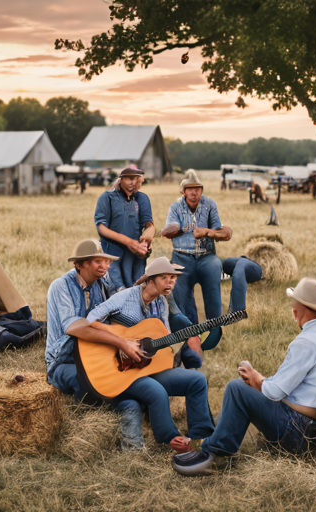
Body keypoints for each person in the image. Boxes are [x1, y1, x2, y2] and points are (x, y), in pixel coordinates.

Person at [172, 277, 316, 475]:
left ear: (302, 309)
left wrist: (256, 379)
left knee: (237, 388)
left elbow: (275, 392)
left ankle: (214, 455)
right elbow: (301, 385)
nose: (293, 307)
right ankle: (210, 439)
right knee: (246, 390)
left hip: (300, 433)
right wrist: (260, 380)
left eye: (294, 302)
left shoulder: (306, 342)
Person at [86, 256, 215, 452]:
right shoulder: (125, 297)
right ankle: (170, 439)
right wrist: (121, 340)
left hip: (147, 366)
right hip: (121, 369)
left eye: (173, 278)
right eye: (165, 278)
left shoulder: (162, 303)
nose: (170, 282)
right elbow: (91, 319)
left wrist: (185, 340)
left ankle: (201, 438)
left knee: (197, 380)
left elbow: (162, 337)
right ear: (151, 280)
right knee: (157, 391)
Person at [45, 239, 148, 450]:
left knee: (127, 385)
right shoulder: (60, 286)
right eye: (97, 261)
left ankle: (133, 446)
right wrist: (120, 341)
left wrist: (141, 288)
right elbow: (74, 327)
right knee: (106, 389)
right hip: (64, 361)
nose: (104, 266)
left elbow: (120, 305)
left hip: (96, 356)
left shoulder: (102, 284)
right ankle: (130, 438)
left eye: (107, 262)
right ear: (80, 264)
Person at [162, 169, 232, 342]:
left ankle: (214, 331)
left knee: (213, 276)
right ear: (183, 191)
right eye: (190, 189)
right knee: (181, 291)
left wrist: (206, 232)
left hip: (206, 256)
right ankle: (191, 333)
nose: (194, 192)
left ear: (201, 190)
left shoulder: (209, 205)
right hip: (182, 255)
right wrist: (175, 229)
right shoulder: (176, 206)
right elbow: (168, 228)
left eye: (197, 188)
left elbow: (220, 230)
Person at [94, 165, 155, 292]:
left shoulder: (141, 198)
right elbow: (101, 228)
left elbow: (149, 225)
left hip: (135, 256)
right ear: (121, 179)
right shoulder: (107, 198)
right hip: (112, 253)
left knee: (137, 290)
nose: (133, 182)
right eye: (129, 179)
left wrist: (145, 241)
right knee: (117, 291)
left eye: (135, 179)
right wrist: (129, 242)